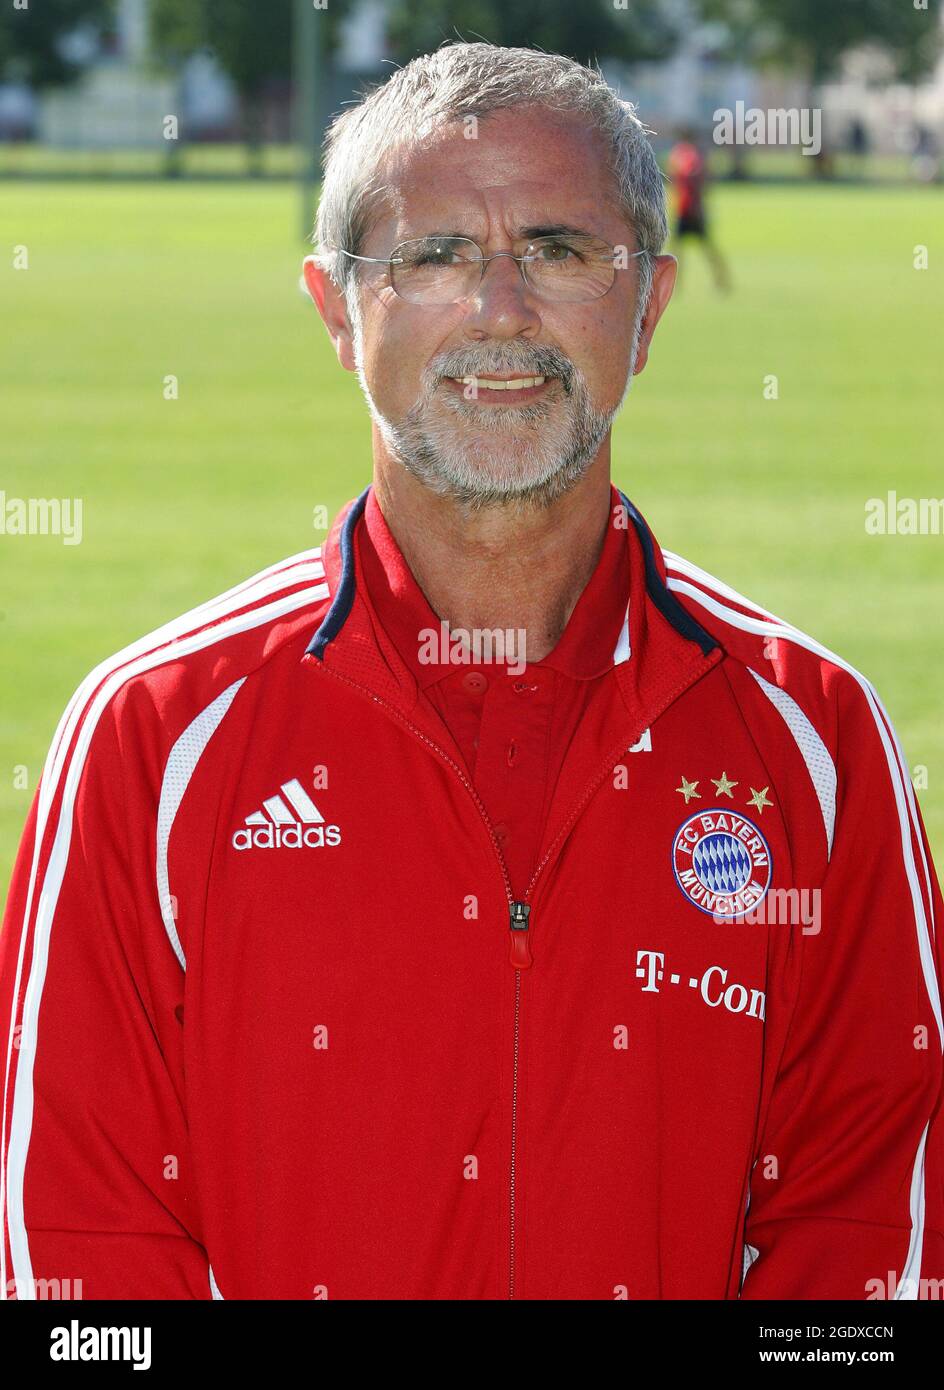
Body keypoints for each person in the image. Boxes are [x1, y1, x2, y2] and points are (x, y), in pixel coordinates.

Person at [1, 42, 941, 1302]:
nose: (501, 309)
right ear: (337, 308)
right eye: (434, 256)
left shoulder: (811, 737)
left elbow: (871, 1220)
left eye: (557, 251)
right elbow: (78, 1258)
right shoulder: (151, 736)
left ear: (648, 306)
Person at [667, 127, 731, 291]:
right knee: (681, 249)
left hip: (690, 209)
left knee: (699, 248)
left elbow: (691, 178)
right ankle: (677, 284)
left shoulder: (686, 155)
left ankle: (720, 279)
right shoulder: (683, 154)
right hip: (684, 208)